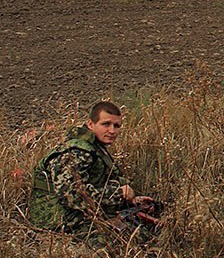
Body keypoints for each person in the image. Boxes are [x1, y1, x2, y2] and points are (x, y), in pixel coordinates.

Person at [28, 101, 160, 245]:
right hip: (56, 221)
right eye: (106, 124)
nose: (112, 130)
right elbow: (71, 195)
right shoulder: (77, 151)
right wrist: (118, 195)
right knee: (123, 240)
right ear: (91, 124)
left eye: (116, 126)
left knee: (141, 228)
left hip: (75, 214)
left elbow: (102, 180)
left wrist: (131, 199)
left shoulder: (95, 147)